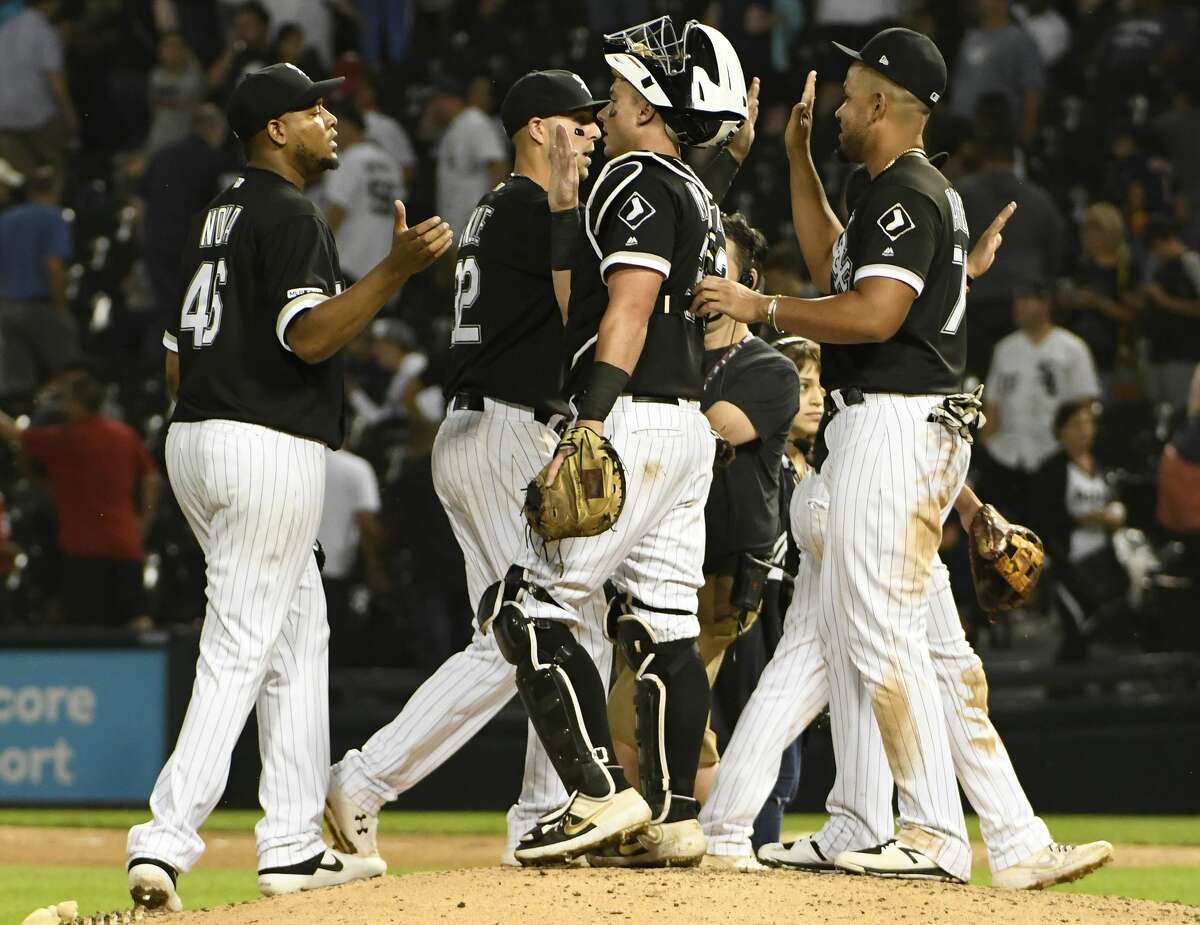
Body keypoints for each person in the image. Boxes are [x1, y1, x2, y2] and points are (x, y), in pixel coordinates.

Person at [125, 63, 452, 913]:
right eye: (313, 108)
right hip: (263, 445)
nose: (329, 119)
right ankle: (164, 839)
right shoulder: (290, 213)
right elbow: (309, 337)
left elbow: (172, 357)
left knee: (299, 633)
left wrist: (217, 416)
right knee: (239, 642)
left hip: (198, 434)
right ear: (276, 129)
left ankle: (293, 843)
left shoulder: (219, 216)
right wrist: (394, 271)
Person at [691, 27, 987, 883]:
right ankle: (821, 823)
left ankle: (933, 833)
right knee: (821, 642)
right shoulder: (889, 192)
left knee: (881, 634)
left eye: (855, 95)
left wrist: (762, 305)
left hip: (894, 426)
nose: (843, 110)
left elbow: (871, 314)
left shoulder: (908, 195)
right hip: (882, 429)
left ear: (885, 104)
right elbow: (835, 263)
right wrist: (798, 164)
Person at [323, 69, 613, 867]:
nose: (591, 132)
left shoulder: (498, 206)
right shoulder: (531, 206)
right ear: (534, 131)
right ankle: (365, 779)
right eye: (577, 121)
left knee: (562, 626)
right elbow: (578, 312)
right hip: (508, 431)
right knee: (523, 635)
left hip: (482, 428)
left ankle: (544, 816)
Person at [488, 17, 747, 869]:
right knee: (664, 624)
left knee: (525, 604)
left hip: (630, 414)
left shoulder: (635, 171)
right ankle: (674, 815)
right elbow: (582, 304)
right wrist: (566, 203)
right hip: (682, 426)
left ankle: (597, 792)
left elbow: (626, 308)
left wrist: (589, 421)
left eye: (630, 84)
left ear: (656, 105)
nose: (614, 93)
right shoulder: (691, 189)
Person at [699, 422, 1114, 889]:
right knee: (924, 666)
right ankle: (984, 837)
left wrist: (970, 508)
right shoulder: (903, 358)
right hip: (875, 496)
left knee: (814, 667)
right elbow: (903, 423)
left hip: (857, 489)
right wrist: (968, 505)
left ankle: (760, 828)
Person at [599, 210, 800, 841]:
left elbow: (715, 433)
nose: (703, 282)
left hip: (724, 578)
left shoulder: (768, 368)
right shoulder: (676, 356)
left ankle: (724, 842)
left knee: (642, 713)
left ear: (750, 281)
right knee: (672, 719)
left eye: (719, 269)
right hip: (660, 568)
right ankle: (720, 845)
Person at [0, 368, 159, 627]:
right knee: (137, 619)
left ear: (75, 403)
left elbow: (15, 435)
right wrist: (144, 522)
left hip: (84, 550)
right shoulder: (125, 435)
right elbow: (151, 477)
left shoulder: (67, 440)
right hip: (127, 544)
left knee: (85, 628)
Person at [980, 285, 1101, 523]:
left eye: (1026, 301)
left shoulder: (1072, 348)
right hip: (1008, 454)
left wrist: (1077, 454)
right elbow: (993, 403)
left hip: (1053, 453)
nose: (1018, 308)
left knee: (1048, 528)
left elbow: (1083, 406)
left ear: (1045, 305)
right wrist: (988, 446)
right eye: (1018, 301)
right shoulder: (1005, 348)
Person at [1031, 399, 1127, 662]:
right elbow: (1045, 518)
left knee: (1104, 627)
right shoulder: (1052, 469)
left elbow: (1116, 503)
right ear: (1061, 431)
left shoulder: (1101, 466)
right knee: (1076, 629)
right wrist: (1087, 519)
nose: (1084, 431)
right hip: (1069, 562)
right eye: (1076, 425)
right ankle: (1064, 692)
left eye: (1088, 424)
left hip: (1103, 559)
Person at [140, 104, 233, 355]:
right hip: (190, 243)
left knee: (165, 304)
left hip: (155, 239)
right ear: (215, 128)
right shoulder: (216, 161)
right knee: (192, 306)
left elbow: (140, 199)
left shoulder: (162, 155)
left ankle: (153, 366)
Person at [0, 165, 78, 401]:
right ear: (56, 188)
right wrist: (61, 307)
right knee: (70, 373)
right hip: (40, 306)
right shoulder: (53, 216)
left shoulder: (6, 219)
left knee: (17, 386)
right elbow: (54, 264)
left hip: (6, 307)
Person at [321, 103, 404, 282]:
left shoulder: (347, 159)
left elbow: (337, 210)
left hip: (349, 260)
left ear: (348, 125)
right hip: (383, 260)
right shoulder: (390, 162)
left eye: (333, 126)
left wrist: (319, 253)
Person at [1059, 202, 1136, 396]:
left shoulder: (1126, 270)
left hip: (1112, 354)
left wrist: (1097, 303)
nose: (1090, 236)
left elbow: (1132, 315)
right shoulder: (1078, 267)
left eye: (1096, 229)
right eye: (1086, 230)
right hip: (1075, 348)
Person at [0, 0, 79, 176]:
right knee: (56, 173)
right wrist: (69, 115)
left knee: (26, 179)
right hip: (40, 117)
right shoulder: (41, 28)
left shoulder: (5, 23)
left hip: (4, 122)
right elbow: (56, 84)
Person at [949, 0, 1045, 144]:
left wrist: (1027, 133)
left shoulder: (1019, 39)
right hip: (961, 131)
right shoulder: (970, 37)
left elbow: (1032, 91)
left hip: (996, 134)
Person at [424, 78, 510, 238]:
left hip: (475, 224)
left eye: (436, 101)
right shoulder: (453, 127)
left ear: (449, 100)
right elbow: (424, 133)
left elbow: (498, 167)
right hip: (456, 223)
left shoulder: (474, 121)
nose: (432, 108)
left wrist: (490, 215)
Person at [317, 442, 387, 632]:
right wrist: (375, 568)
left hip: (298, 566)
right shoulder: (357, 468)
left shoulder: (302, 463)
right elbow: (367, 524)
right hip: (337, 567)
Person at [1135, 217, 1200, 414]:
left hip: (1183, 354)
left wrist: (1164, 300)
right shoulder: (1158, 268)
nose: (1156, 253)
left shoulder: (1191, 263)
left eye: (1157, 247)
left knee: (1181, 411)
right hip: (1158, 351)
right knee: (1158, 412)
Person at [145, 31, 207, 155]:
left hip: (184, 142)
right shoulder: (155, 76)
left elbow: (200, 94)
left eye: (176, 46)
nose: (172, 51)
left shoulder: (192, 78)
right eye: (167, 46)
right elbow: (152, 107)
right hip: (157, 139)